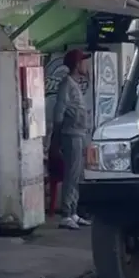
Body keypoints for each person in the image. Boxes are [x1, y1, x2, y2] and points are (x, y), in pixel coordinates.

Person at [52, 49, 92, 229]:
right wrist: (56, 140)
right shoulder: (66, 85)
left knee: (78, 175)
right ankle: (66, 214)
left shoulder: (74, 84)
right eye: (83, 61)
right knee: (71, 174)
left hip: (80, 134)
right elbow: (59, 113)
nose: (86, 65)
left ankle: (74, 211)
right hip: (71, 134)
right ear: (77, 64)